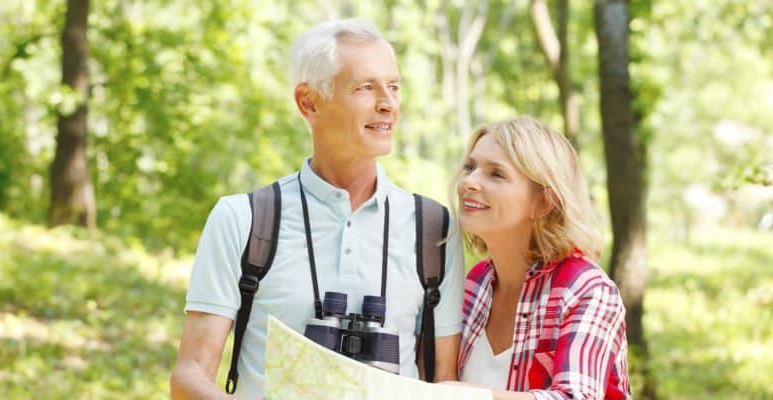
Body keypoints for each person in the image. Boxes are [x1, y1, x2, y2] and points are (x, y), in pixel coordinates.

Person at [169, 18, 465, 400]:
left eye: (393, 87)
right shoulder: (243, 220)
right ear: (308, 102)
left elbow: (442, 383)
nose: (388, 104)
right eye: (365, 88)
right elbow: (189, 376)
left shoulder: (434, 229)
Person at [448, 117, 631, 399]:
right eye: (470, 167)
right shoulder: (474, 285)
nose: (469, 182)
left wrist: (467, 396)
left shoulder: (588, 291)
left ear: (544, 202)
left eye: (496, 174)